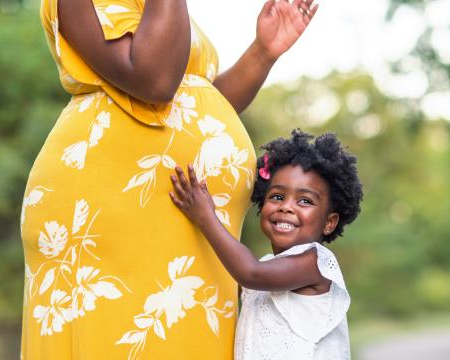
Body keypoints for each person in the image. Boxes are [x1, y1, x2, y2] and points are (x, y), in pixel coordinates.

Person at [21, 0, 319, 358]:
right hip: (113, 202)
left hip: (183, 217)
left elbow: (195, 107)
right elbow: (155, 81)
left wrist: (262, 53)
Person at [169, 129, 363, 360]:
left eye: (305, 201)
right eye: (277, 197)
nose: (286, 207)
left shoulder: (315, 263)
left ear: (329, 223)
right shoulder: (268, 270)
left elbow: (250, 272)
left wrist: (206, 218)